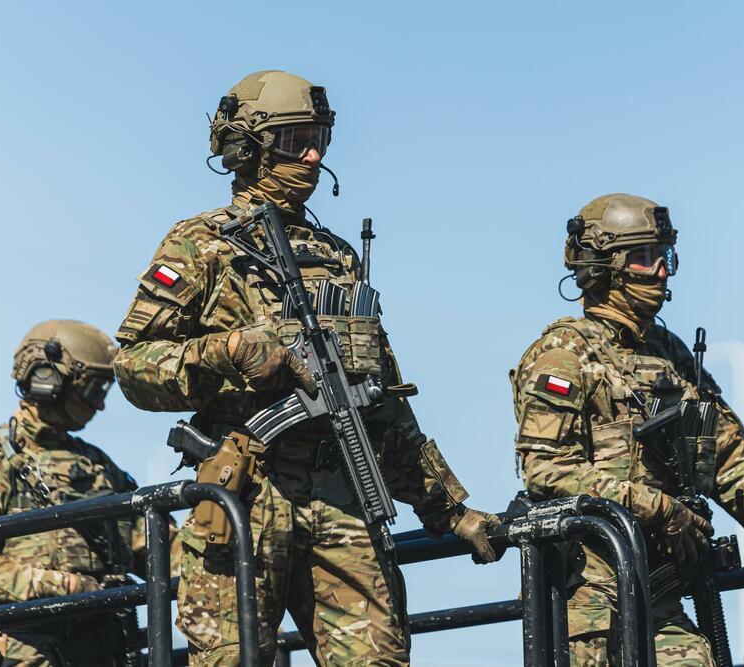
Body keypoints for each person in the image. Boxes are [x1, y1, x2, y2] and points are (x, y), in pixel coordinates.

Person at [113, 69, 498, 666]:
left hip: (342, 491)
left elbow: (382, 400)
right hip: (246, 491)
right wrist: (233, 352)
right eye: (297, 141)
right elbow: (132, 364)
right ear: (248, 147)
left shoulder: (338, 257)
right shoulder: (200, 244)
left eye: (321, 139)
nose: (314, 156)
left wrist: (448, 508)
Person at [511, 193, 744, 666]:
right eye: (644, 257)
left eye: (664, 256)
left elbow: (728, 458)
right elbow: (546, 471)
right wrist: (658, 508)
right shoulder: (563, 356)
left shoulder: (670, 354)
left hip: (661, 592)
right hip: (589, 603)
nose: (661, 272)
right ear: (604, 266)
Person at [0, 320, 159, 666]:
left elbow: (153, 545)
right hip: (31, 655)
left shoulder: (98, 466)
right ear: (48, 378)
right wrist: (70, 590)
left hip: (111, 653)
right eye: (93, 389)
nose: (99, 405)